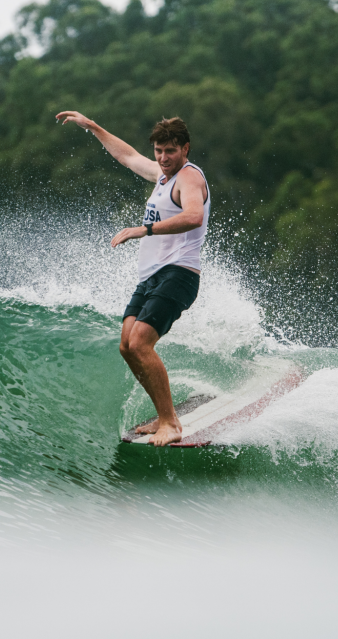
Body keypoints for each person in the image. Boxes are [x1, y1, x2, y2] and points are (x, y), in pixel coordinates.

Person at [55, 111, 210, 446]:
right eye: (158, 151)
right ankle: (163, 415)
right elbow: (127, 156)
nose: (163, 158)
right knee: (127, 345)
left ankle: (170, 423)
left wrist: (145, 229)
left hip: (179, 273)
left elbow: (194, 216)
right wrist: (94, 127)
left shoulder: (189, 178)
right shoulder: (163, 175)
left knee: (140, 342)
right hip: (153, 275)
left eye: (170, 151)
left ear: (185, 148)